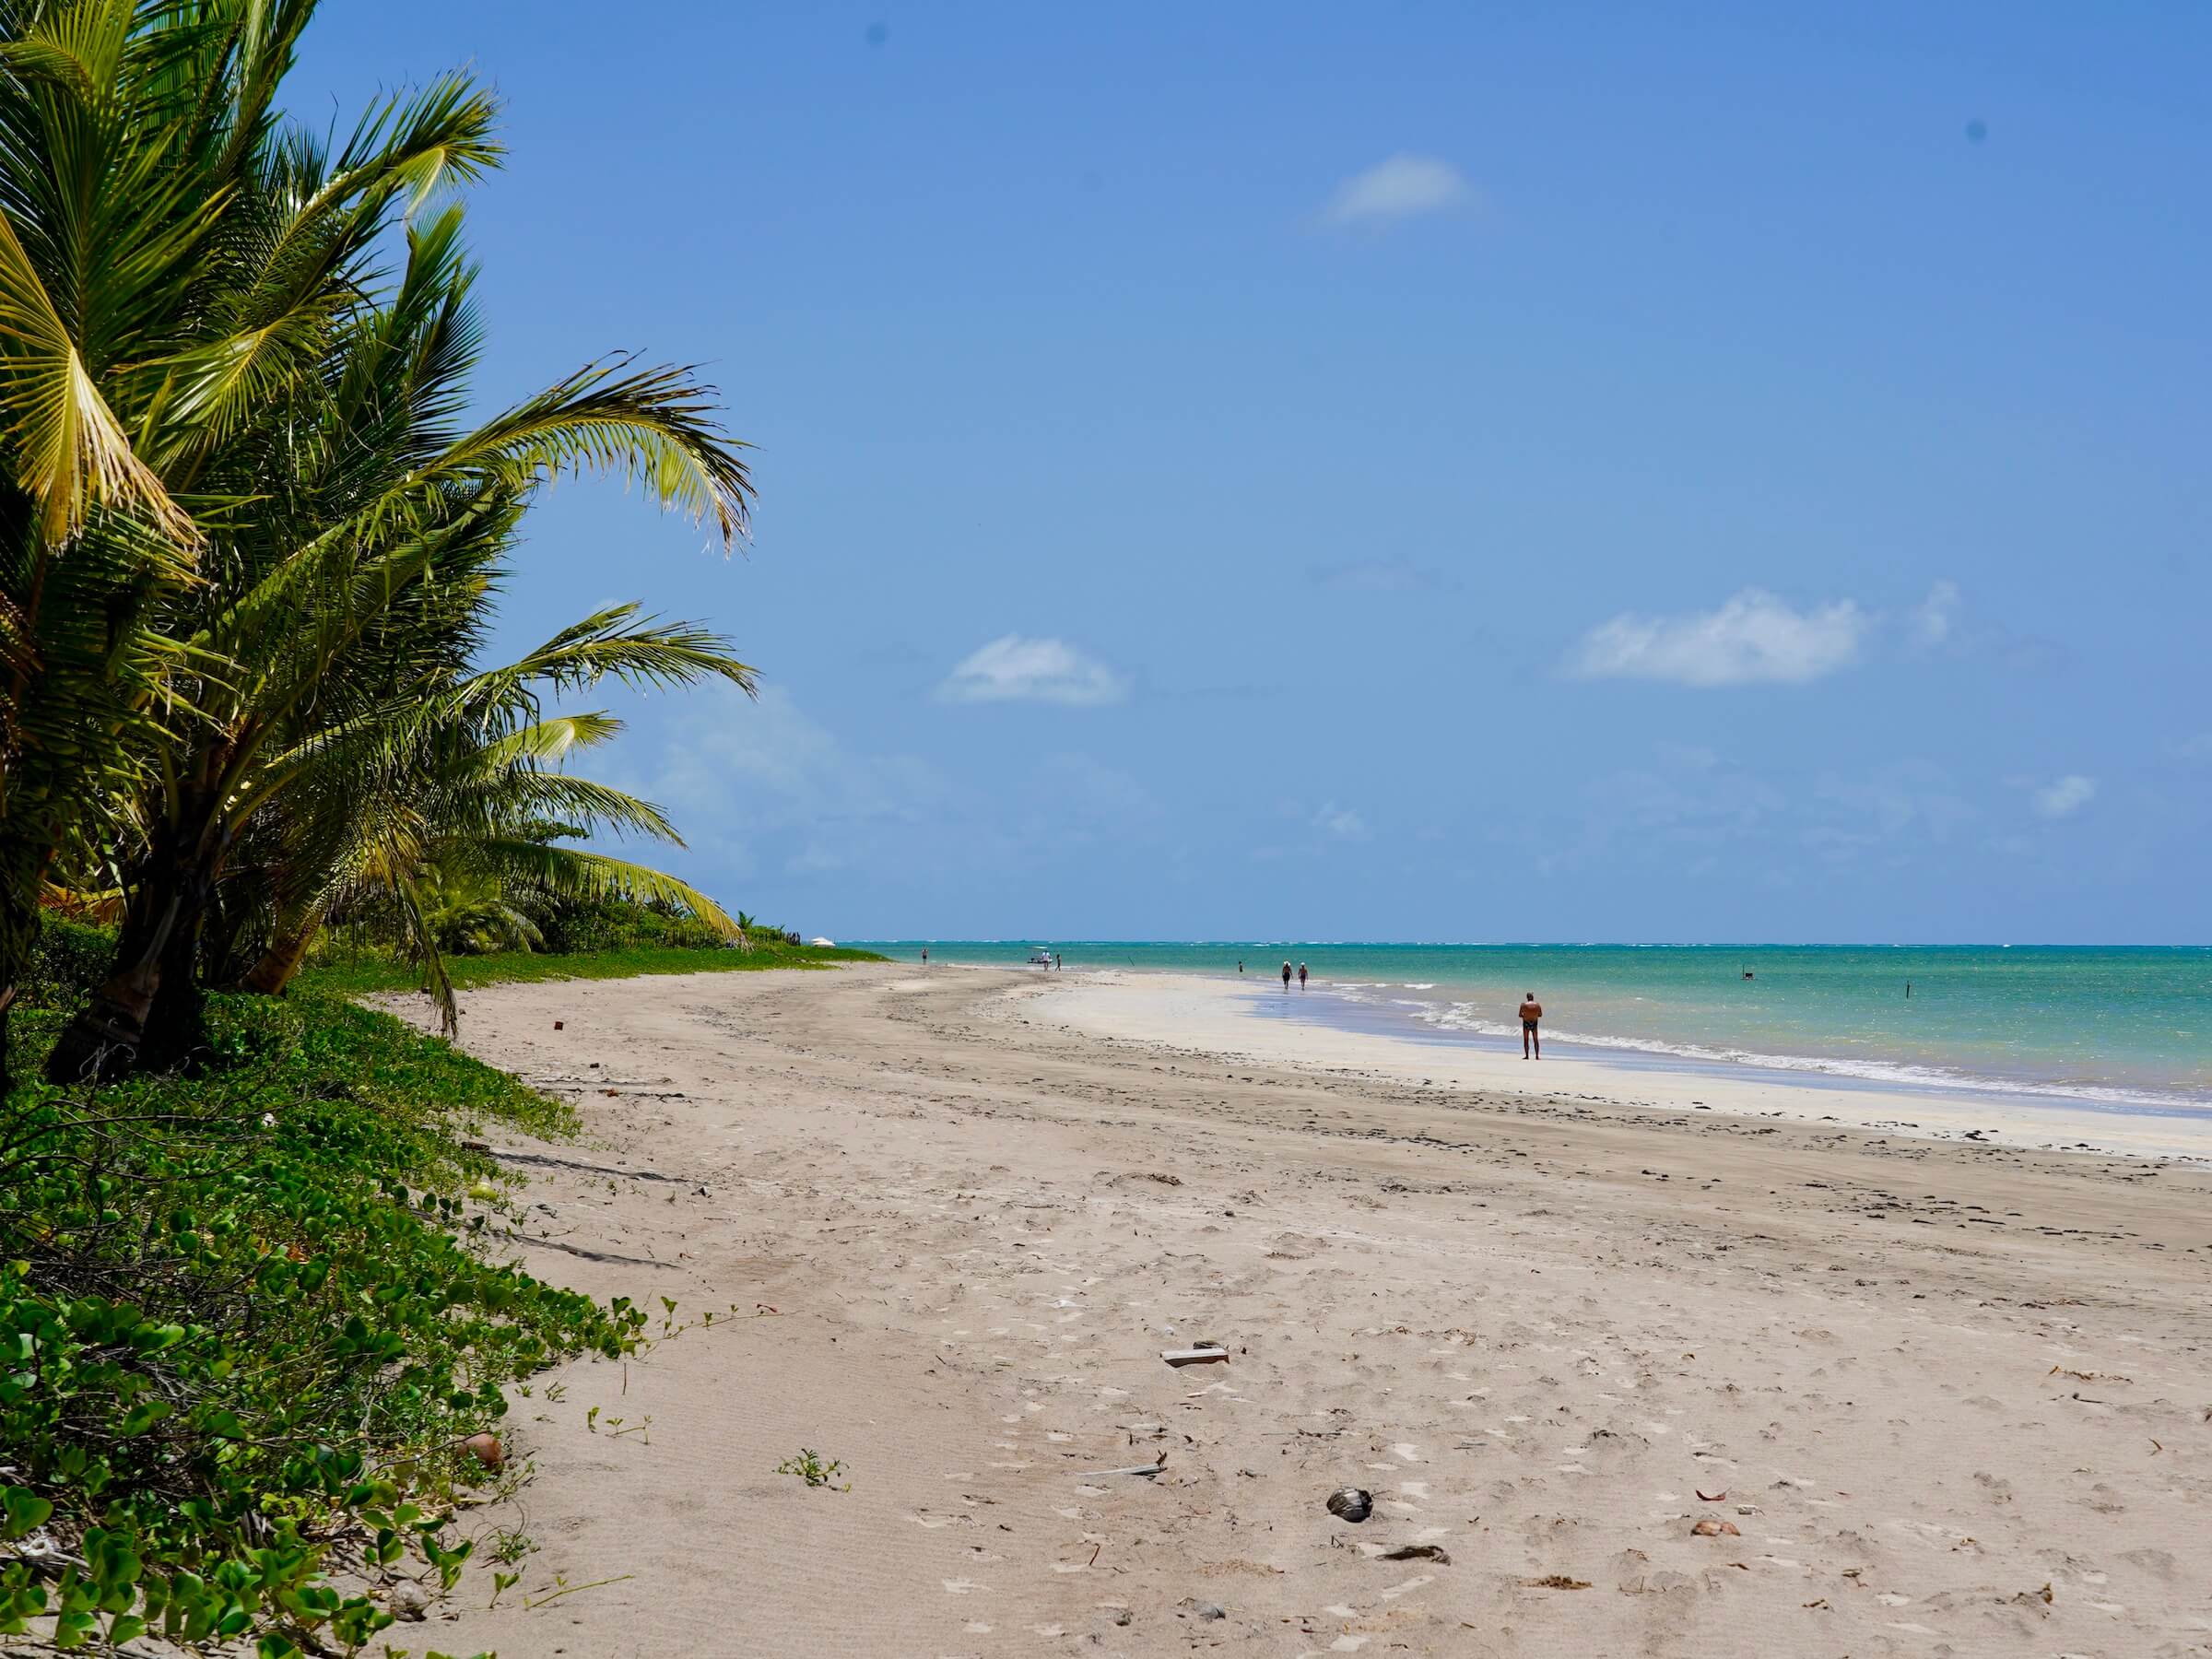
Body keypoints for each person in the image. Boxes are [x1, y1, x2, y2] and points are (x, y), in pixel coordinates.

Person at [1518, 991, 1543, 1059]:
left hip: (1526, 1023)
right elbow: (1540, 1015)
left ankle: (1527, 1056)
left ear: (1527, 998)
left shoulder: (1523, 1005)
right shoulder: (1537, 1005)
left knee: (1526, 1040)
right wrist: (1534, 1015)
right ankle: (1537, 1056)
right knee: (1535, 1040)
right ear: (1532, 997)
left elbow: (1520, 1015)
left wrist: (1526, 1016)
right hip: (1534, 1023)